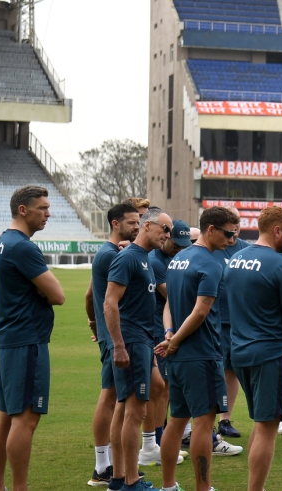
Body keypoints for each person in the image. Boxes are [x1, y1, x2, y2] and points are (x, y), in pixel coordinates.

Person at [0, 185, 65, 491]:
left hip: (7, 337)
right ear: (23, 209)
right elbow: (58, 295)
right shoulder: (22, 246)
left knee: (4, 415)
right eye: (42, 208)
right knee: (26, 420)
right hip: (27, 340)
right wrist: (43, 293)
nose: (48, 213)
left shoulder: (1, 243)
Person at [224, 205, 282, 491]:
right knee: (268, 427)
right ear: (277, 230)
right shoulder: (281, 264)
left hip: (240, 351)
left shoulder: (235, 259)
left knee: (261, 423)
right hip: (271, 353)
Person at [154, 209, 233, 491]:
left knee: (176, 421)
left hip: (178, 354)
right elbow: (200, 311)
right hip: (201, 353)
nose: (233, 238)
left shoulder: (177, 260)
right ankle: (203, 487)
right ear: (211, 229)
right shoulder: (211, 264)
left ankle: (168, 486)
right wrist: (174, 340)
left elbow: (168, 304)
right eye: (228, 232)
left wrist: (169, 334)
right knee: (203, 423)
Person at [104, 207, 172, 491]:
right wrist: (119, 346)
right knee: (135, 413)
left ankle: (119, 478)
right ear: (147, 226)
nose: (167, 235)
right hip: (132, 342)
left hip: (141, 341)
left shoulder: (142, 258)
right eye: (164, 229)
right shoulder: (129, 258)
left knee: (124, 410)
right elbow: (110, 302)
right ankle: (131, 481)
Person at [85, 202, 141, 486]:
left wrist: (94, 325)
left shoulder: (108, 253)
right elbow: (106, 299)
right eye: (132, 222)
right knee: (111, 398)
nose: (137, 227)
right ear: (115, 224)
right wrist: (106, 334)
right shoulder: (113, 256)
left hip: (108, 336)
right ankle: (103, 467)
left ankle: (106, 465)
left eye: (139, 221)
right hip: (116, 338)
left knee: (113, 398)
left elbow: (88, 295)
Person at [139, 220, 191, 469]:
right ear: (167, 237)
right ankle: (154, 442)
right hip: (157, 330)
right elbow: (173, 295)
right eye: (176, 244)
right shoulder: (157, 261)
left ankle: (158, 442)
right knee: (161, 387)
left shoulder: (173, 257)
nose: (179, 250)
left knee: (165, 387)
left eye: (184, 246)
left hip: (165, 329)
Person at [214, 208, 248, 444]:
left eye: (237, 222)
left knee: (232, 369)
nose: (234, 227)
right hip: (212, 318)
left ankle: (225, 419)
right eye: (230, 222)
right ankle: (204, 420)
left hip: (237, 319)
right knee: (212, 368)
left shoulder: (246, 249)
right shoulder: (212, 247)